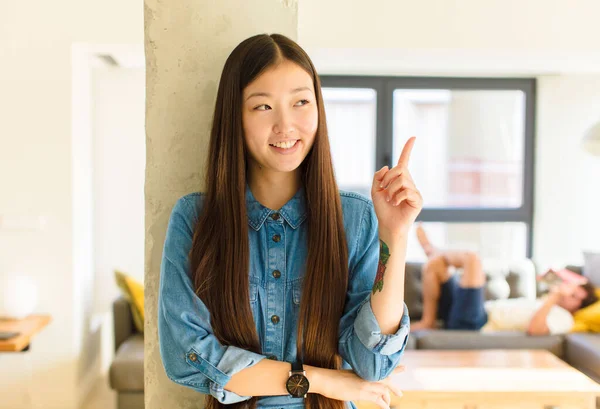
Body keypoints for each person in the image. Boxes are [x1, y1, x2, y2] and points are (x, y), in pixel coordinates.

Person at [158, 33, 423, 409]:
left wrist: (395, 234)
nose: (286, 125)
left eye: (301, 102)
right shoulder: (195, 219)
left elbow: (374, 362)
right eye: (263, 107)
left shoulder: (355, 217)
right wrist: (317, 379)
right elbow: (186, 358)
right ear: (235, 116)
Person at [410, 225, 600, 335]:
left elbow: (536, 329)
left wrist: (555, 297)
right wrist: (563, 286)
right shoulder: (546, 301)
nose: (568, 293)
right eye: (571, 290)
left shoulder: (564, 318)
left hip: (475, 323)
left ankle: (431, 250)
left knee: (472, 259)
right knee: (435, 266)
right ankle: (429, 321)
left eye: (574, 295)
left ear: (579, 307)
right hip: (474, 311)